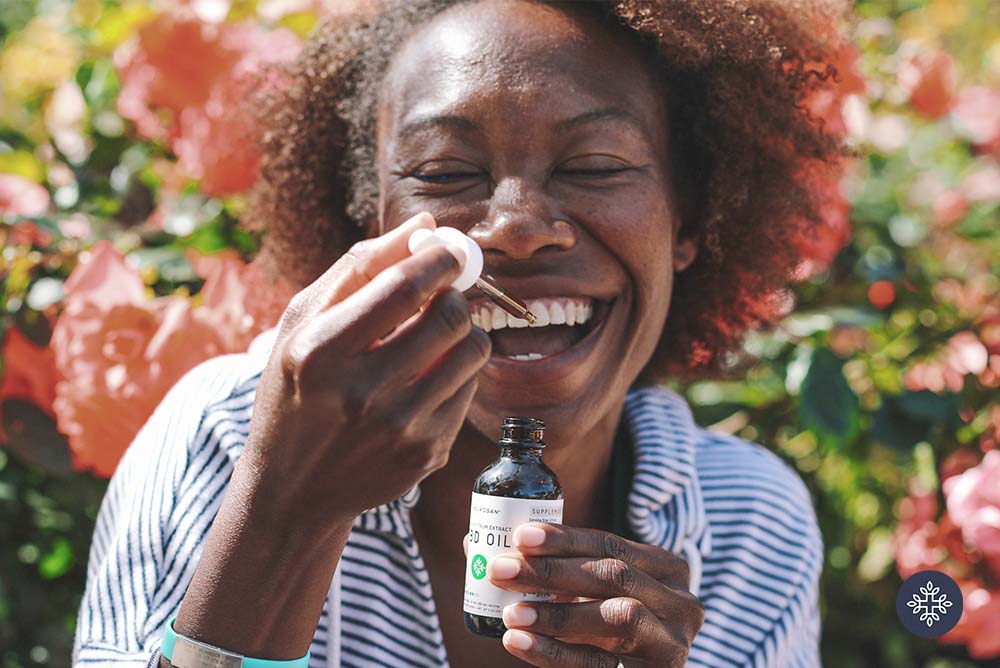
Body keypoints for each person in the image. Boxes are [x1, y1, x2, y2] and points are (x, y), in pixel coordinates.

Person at [73, 1, 846, 666]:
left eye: (597, 166)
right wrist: (285, 513)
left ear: (689, 218)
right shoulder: (225, 442)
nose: (515, 228)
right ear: (368, 227)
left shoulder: (748, 523)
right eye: (444, 173)